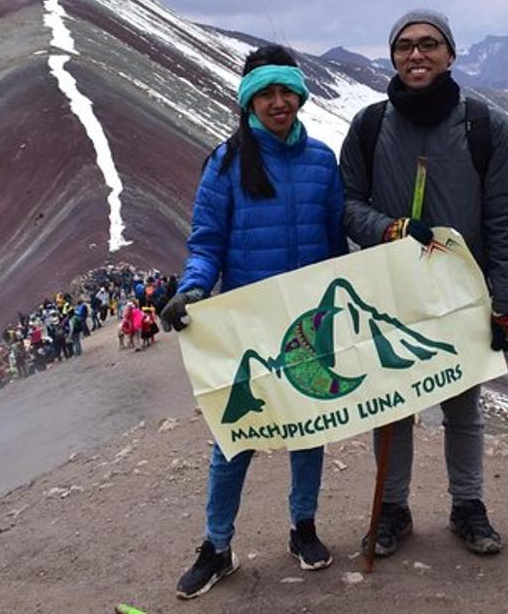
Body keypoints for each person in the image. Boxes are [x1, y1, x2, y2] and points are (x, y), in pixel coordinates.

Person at [160, 44, 347, 599]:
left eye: (286, 90)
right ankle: (217, 546)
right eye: (265, 92)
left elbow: (335, 241)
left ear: (300, 94)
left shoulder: (321, 161)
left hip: (309, 324)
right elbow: (206, 244)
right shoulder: (224, 163)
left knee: (310, 429)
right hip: (248, 325)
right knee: (233, 438)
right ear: (248, 101)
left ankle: (303, 527)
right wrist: (192, 287)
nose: (278, 102)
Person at [339, 9, 508, 557]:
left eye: (429, 45)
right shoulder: (370, 126)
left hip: (461, 293)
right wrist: (388, 228)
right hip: (390, 290)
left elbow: (502, 224)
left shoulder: (485, 127)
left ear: (450, 55)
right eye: (405, 46)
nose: (416, 55)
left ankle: (468, 506)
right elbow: (346, 204)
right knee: (392, 404)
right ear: (392, 56)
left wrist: (505, 302)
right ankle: (392, 508)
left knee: (462, 405)